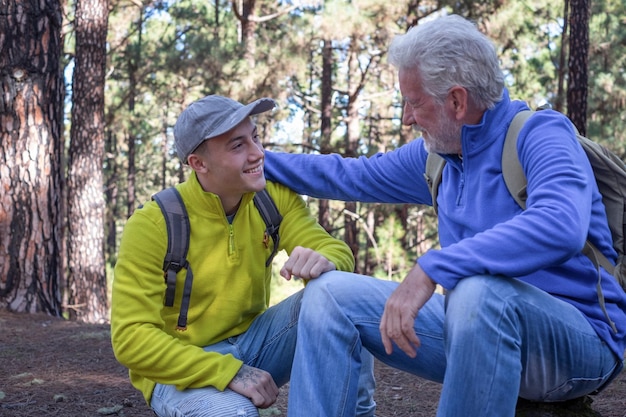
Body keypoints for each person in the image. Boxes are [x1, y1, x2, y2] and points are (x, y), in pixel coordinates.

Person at [263, 14, 626, 417]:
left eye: (414, 102)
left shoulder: (541, 134)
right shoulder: (436, 158)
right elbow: (352, 174)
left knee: (477, 290)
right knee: (329, 295)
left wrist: (433, 267)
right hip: (474, 328)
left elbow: (562, 225)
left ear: (456, 101)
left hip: (578, 343)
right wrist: (253, 161)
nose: (405, 117)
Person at [110, 95, 376, 417]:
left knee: (346, 299)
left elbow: (333, 249)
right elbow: (131, 338)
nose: (258, 153)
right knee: (235, 414)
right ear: (199, 164)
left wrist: (327, 260)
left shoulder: (272, 198)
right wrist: (228, 371)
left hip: (259, 344)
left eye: (256, 137)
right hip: (183, 369)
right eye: (238, 146)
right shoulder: (154, 224)